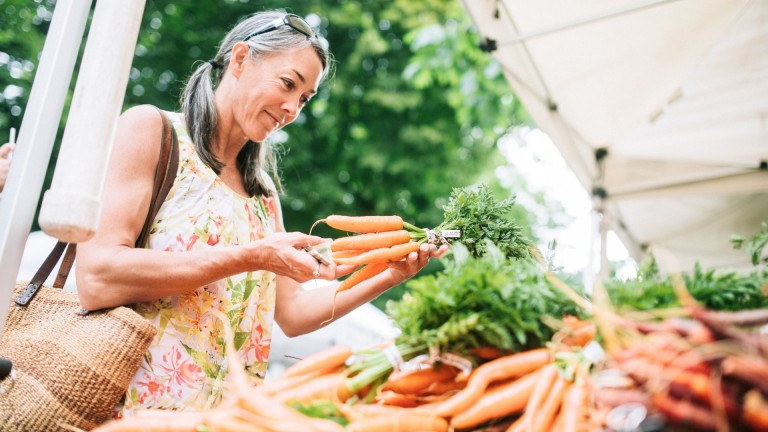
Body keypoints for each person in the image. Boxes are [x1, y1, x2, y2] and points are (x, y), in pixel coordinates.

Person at [75, 10, 446, 416]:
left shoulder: (263, 196)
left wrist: (389, 275)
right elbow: (98, 276)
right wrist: (252, 256)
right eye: (288, 84)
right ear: (239, 59)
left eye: (304, 99)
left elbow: (292, 314)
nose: (292, 109)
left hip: (221, 421)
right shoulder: (154, 133)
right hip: (130, 414)